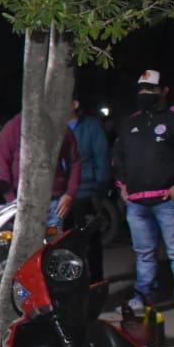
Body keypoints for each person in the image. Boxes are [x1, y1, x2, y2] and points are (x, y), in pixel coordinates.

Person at [113, 70, 174, 327]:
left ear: (164, 91)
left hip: (169, 202)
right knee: (143, 254)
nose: (145, 94)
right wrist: (122, 185)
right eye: (142, 89)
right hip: (137, 202)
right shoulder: (131, 122)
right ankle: (143, 296)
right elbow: (119, 157)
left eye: (151, 90)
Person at [0, 111, 80, 226]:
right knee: (24, 243)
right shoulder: (13, 127)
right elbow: (1, 166)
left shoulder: (59, 126)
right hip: (21, 202)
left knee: (53, 243)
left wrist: (70, 194)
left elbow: (74, 162)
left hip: (53, 202)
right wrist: (11, 201)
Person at [68, 96, 110, 280]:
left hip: (86, 193)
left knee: (91, 243)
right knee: (66, 244)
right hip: (61, 196)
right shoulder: (53, 127)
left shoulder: (91, 126)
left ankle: (95, 282)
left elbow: (102, 159)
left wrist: (99, 192)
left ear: (75, 104)